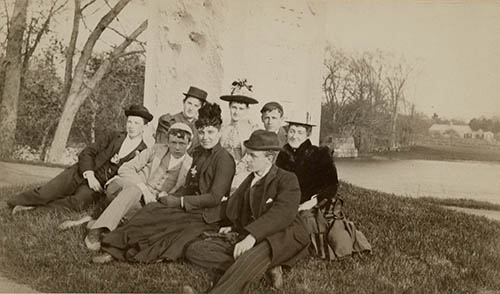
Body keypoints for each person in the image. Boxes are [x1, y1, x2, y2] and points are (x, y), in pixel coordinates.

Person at [91, 102, 235, 264]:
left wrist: (178, 201)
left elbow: (215, 197)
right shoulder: (199, 153)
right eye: (201, 132)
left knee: (164, 226)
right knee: (152, 209)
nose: (205, 137)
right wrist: (170, 196)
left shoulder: (224, 159)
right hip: (190, 206)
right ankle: (112, 245)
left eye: (210, 132)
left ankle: (122, 252)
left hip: (207, 215)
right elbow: (189, 186)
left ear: (219, 132)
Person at [184, 130, 310, 294]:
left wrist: (252, 236)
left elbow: (282, 214)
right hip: (253, 234)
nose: (246, 159)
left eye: (252, 155)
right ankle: (263, 269)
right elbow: (234, 206)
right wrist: (233, 226)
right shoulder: (251, 179)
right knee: (195, 250)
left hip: (282, 234)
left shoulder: (287, 179)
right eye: (247, 154)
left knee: (251, 256)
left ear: (269, 159)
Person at [7, 105, 153, 213]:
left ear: (144, 127)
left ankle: (31, 211)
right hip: (81, 172)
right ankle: (11, 203)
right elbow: (87, 152)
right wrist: (89, 174)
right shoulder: (113, 136)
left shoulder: (143, 151)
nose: (131, 126)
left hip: (98, 186)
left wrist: (109, 183)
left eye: (136, 123)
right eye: (129, 122)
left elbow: (130, 175)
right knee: (46, 192)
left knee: (77, 203)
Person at [83, 122, 194, 251]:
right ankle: (96, 231)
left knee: (147, 214)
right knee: (133, 191)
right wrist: (143, 188)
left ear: (189, 144)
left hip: (148, 203)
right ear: (168, 141)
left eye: (182, 144)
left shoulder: (190, 165)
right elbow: (125, 168)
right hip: (122, 188)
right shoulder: (156, 149)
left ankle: (98, 222)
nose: (177, 147)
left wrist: (164, 196)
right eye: (173, 142)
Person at [275, 116, 339, 259]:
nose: (294, 136)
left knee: (301, 223)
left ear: (307, 134)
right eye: (292, 131)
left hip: (312, 202)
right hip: (287, 201)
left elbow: (332, 185)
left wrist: (311, 202)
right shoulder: (283, 154)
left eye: (299, 132)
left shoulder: (320, 154)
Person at [219, 89, 259, 188]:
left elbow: (249, 155)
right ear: (229, 107)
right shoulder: (222, 128)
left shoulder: (251, 130)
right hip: (220, 169)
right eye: (234, 107)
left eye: (241, 109)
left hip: (241, 172)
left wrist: (236, 170)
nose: (236, 112)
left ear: (247, 110)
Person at [155, 86, 207, 153]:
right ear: (184, 102)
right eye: (189, 103)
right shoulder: (169, 122)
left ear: (201, 108)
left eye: (196, 106)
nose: (191, 108)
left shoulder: (200, 127)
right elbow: (160, 149)